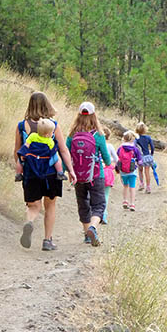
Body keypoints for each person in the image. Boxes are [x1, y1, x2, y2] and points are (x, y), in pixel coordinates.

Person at [14, 92, 76, 251]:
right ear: (47, 105)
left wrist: (20, 168)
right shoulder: (53, 125)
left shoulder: (22, 126)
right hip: (50, 172)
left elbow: (17, 151)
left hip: (31, 172)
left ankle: (29, 222)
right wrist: (70, 170)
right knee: (50, 205)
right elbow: (63, 150)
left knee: (33, 205)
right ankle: (47, 241)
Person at [66, 101, 111, 247]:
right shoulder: (98, 135)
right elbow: (107, 159)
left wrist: (70, 171)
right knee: (99, 205)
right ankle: (93, 227)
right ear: (94, 116)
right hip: (96, 175)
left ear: (78, 116)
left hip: (78, 176)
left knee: (83, 204)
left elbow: (65, 153)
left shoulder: (72, 135)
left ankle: (87, 235)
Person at [15, 118, 67, 182]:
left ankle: (18, 174)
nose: (53, 134)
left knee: (19, 160)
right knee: (56, 159)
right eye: (52, 132)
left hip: (32, 156)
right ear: (47, 134)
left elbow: (27, 144)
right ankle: (60, 173)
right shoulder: (50, 141)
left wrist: (23, 154)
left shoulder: (33, 135)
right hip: (45, 158)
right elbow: (52, 151)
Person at [117, 130, 143, 212]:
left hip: (123, 171)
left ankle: (125, 201)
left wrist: (117, 169)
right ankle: (132, 204)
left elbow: (117, 159)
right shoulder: (135, 149)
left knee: (125, 186)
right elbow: (140, 161)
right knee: (132, 187)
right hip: (132, 171)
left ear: (124, 139)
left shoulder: (120, 148)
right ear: (132, 140)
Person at [101, 126, 118, 225]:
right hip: (108, 171)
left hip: (97, 171)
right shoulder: (110, 146)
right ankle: (104, 214)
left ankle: (94, 214)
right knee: (105, 195)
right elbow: (116, 159)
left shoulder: (96, 144)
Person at [135, 121, 155, 193]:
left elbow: (135, 147)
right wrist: (151, 153)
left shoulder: (136, 138)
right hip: (147, 156)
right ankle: (148, 187)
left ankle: (141, 184)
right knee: (147, 172)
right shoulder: (148, 137)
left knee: (140, 170)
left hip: (140, 157)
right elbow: (152, 147)